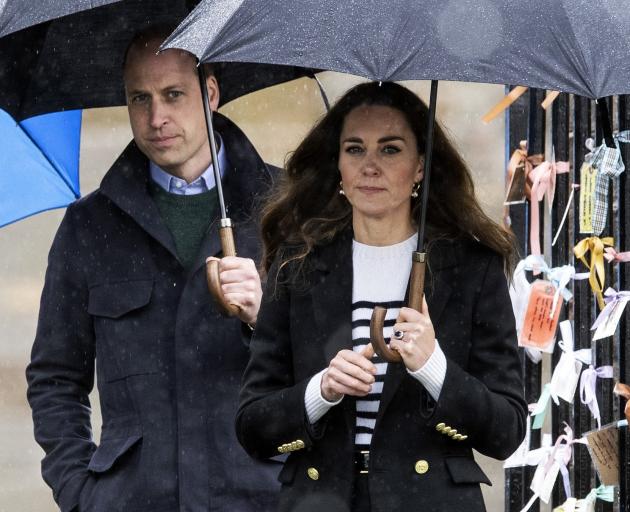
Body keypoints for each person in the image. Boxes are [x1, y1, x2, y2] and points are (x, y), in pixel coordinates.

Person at [236, 81, 528, 512]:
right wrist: (322, 390)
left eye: (390, 149)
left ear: (421, 167)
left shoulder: (471, 268)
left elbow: (506, 431)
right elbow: (253, 427)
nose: (369, 166)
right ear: (337, 164)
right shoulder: (296, 266)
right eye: (355, 149)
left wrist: (434, 368)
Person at [26, 25, 280, 512]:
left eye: (172, 94)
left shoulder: (288, 210)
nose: (156, 117)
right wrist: (81, 493)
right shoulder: (89, 226)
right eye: (139, 98)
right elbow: (56, 377)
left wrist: (260, 318)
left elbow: (331, 364)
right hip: (134, 501)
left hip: (260, 498)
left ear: (210, 93)